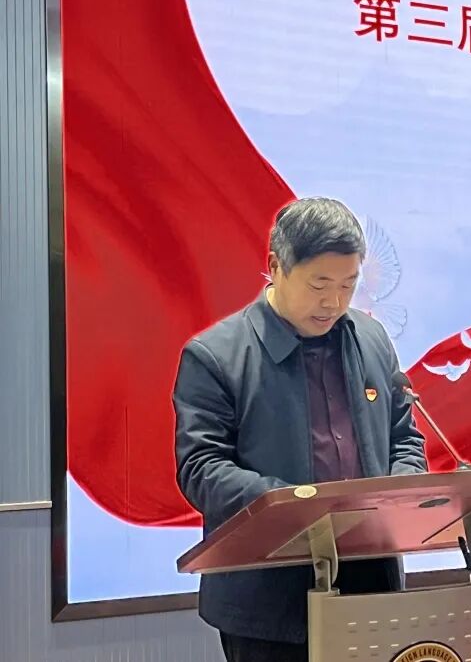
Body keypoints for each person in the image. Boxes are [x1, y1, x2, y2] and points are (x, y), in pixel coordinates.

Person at [173, 197, 427, 662]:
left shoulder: (372, 338)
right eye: (319, 285)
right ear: (276, 266)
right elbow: (202, 468)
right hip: (268, 602)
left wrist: (400, 496)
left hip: (371, 589)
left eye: (349, 285)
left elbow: (404, 436)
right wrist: (295, 507)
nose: (334, 302)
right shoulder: (215, 356)